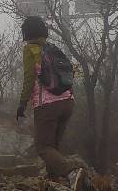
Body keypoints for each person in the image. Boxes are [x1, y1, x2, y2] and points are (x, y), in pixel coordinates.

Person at [17, 15, 75, 181]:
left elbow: (29, 77)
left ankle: (71, 173)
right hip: (68, 101)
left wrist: (22, 103)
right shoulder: (52, 47)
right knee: (53, 148)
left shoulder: (30, 50)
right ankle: (55, 183)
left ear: (26, 32)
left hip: (48, 105)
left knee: (43, 147)